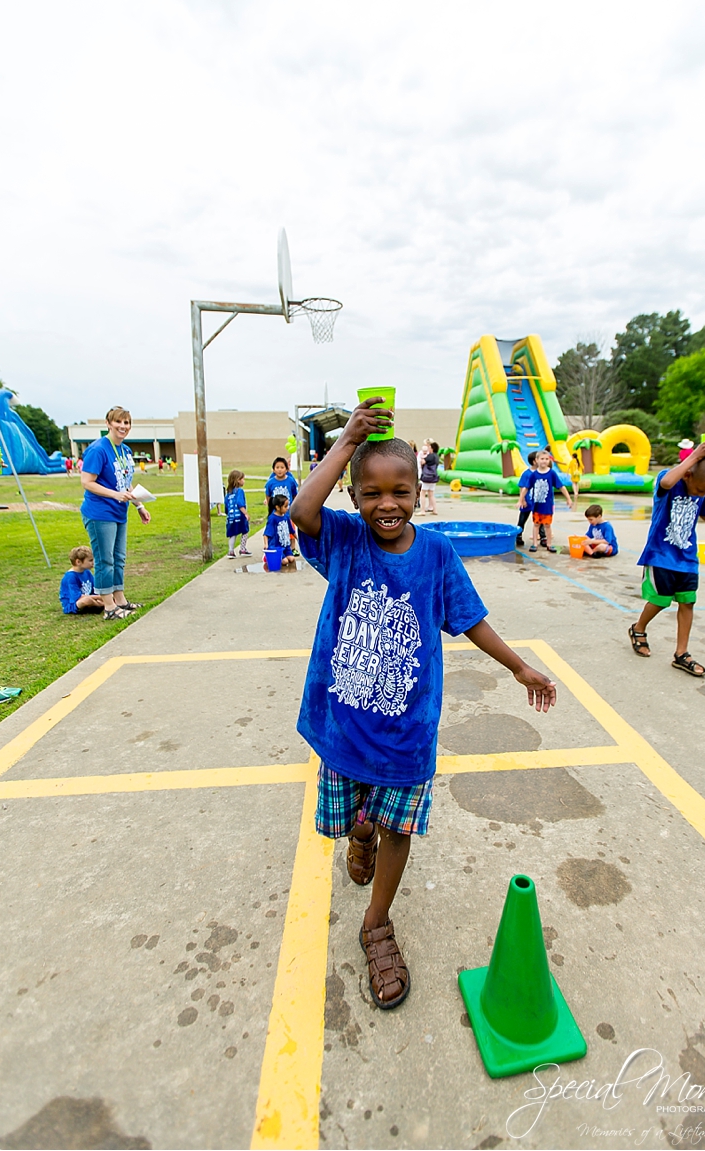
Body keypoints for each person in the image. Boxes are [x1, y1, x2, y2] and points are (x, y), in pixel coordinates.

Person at [290, 398, 557, 1010]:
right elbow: (304, 509)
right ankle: (360, 830)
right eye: (372, 493)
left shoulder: (437, 554)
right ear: (355, 498)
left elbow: (469, 619)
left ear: (418, 491)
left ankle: (376, 923)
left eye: (401, 492)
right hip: (344, 726)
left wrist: (519, 666)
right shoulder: (344, 542)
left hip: (408, 733)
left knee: (399, 829)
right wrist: (345, 444)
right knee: (359, 817)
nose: (388, 504)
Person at [628, 442, 705, 677]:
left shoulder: (702, 490)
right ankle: (638, 628)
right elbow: (665, 482)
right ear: (687, 475)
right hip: (660, 555)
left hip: (686, 556)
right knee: (660, 601)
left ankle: (681, 653)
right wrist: (694, 456)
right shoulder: (672, 481)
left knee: (687, 602)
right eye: (698, 490)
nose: (700, 495)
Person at [80, 407, 150, 620]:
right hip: (100, 512)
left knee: (119, 558)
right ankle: (109, 606)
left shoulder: (125, 451)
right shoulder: (98, 450)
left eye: (127, 423)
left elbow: (126, 485)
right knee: (105, 559)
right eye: (118, 422)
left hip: (120, 512)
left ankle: (120, 600)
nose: (123, 427)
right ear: (108, 423)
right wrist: (113, 495)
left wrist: (139, 506)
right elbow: (87, 482)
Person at [522, 450, 573, 553]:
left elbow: (561, 486)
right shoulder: (534, 475)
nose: (544, 461)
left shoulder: (552, 473)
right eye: (542, 459)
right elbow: (526, 487)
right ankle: (535, 544)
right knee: (536, 524)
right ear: (536, 460)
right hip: (536, 505)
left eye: (546, 459)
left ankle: (549, 544)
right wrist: (521, 499)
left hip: (547, 505)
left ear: (549, 460)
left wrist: (568, 498)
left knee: (547, 525)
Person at [59, 546, 105, 615]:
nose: (93, 563)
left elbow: (94, 589)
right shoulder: (70, 577)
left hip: (90, 597)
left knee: (108, 593)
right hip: (74, 604)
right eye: (90, 560)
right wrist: (99, 597)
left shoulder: (87, 572)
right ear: (78, 562)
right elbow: (77, 597)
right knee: (86, 600)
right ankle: (102, 605)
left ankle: (99, 605)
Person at [263, 494, 297, 565]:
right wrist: (266, 544)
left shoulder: (286, 517)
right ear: (277, 507)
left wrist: (298, 539)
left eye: (287, 506)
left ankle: (283, 555)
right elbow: (266, 533)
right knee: (285, 562)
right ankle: (267, 557)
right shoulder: (272, 518)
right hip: (276, 547)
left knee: (292, 559)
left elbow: (292, 530)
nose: (287, 508)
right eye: (285, 506)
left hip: (286, 546)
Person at [225, 470, 250, 557]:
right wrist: (246, 513)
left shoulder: (228, 493)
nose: (244, 481)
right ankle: (243, 549)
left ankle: (231, 551)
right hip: (240, 516)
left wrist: (228, 514)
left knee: (232, 534)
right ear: (238, 480)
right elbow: (240, 503)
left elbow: (226, 506)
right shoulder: (240, 491)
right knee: (245, 531)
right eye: (243, 479)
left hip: (231, 518)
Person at [515, 451, 538, 547]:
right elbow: (522, 487)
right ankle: (518, 535)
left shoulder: (541, 472)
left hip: (537, 501)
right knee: (522, 519)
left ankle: (543, 536)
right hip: (527, 501)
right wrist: (522, 500)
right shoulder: (526, 473)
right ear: (534, 461)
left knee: (539, 519)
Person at [420, 440, 440, 515]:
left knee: (422, 493)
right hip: (434, 477)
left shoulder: (430, 456)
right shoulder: (437, 456)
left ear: (432, 448)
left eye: (429, 447)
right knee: (431, 494)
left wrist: (421, 459)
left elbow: (423, 462)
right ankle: (435, 510)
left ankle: (422, 510)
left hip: (427, 477)